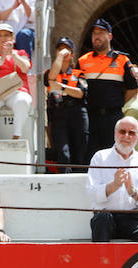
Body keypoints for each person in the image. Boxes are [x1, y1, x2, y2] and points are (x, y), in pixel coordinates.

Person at [87, 117, 138, 243]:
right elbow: (91, 192)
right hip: (106, 218)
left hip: (134, 219)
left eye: (131, 133)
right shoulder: (100, 157)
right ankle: (99, 261)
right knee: (102, 219)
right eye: (122, 131)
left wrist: (133, 191)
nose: (126, 136)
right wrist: (113, 186)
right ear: (115, 133)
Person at [78, 18, 138, 159]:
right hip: (90, 116)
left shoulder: (122, 60)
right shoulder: (82, 61)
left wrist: (118, 102)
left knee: (114, 155)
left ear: (109, 36)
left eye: (101, 33)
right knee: (89, 155)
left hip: (113, 117)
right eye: (94, 33)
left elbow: (133, 88)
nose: (96, 36)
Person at [0, 22, 32, 143]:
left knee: (23, 100)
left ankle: (16, 134)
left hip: (16, 91)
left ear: (12, 38)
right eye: (0, 35)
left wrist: (12, 55)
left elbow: (25, 68)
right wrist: (1, 59)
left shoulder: (21, 53)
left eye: (6, 35)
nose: (3, 38)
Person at [47, 37, 87, 172]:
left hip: (77, 113)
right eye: (59, 49)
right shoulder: (51, 72)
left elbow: (81, 93)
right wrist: (59, 57)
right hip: (59, 114)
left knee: (80, 149)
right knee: (63, 152)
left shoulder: (78, 73)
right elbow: (51, 79)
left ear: (73, 55)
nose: (63, 52)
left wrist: (62, 87)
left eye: (67, 49)